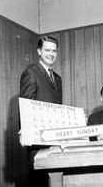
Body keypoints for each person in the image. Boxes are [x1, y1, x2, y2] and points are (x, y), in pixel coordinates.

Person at [19, 36, 62, 187]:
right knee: (40, 181)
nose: (51, 54)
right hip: (38, 140)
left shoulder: (57, 78)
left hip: (55, 139)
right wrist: (26, 132)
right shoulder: (31, 72)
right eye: (47, 50)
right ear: (39, 51)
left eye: (54, 50)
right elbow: (26, 107)